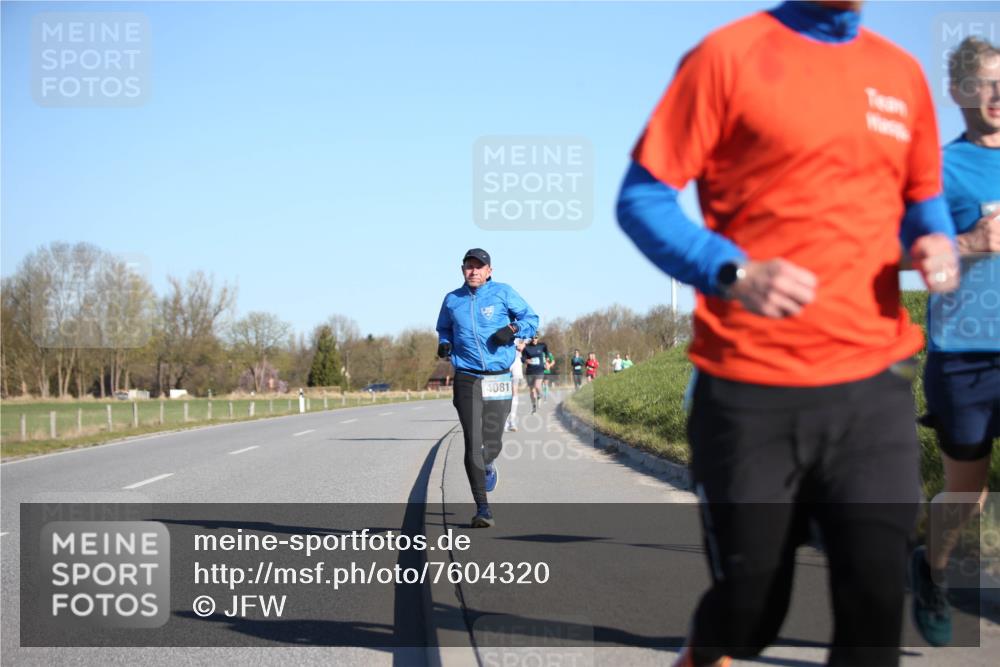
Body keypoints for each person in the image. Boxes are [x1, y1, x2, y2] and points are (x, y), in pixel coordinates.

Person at [616, 2, 959, 666]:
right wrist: (731, 270)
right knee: (751, 609)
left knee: (873, 606)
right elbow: (643, 197)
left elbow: (923, 195)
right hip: (749, 388)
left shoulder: (901, 73)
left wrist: (936, 238)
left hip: (873, 386)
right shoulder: (728, 56)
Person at [910, 36, 1000, 648]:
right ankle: (932, 570)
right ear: (959, 92)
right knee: (967, 489)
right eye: (984, 84)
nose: (997, 95)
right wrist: (972, 244)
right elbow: (905, 257)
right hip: (964, 351)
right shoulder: (938, 171)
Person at [437, 248, 538, 528]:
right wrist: (445, 343)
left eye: (479, 267)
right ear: (462, 270)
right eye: (469, 266)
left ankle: (489, 462)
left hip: (498, 376)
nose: (474, 271)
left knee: (491, 441)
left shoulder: (503, 293)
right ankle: (483, 508)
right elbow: (443, 328)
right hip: (467, 376)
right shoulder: (452, 300)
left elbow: (532, 320)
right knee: (472, 440)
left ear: (489, 270)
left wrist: (514, 330)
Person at [522, 335, 550, 413]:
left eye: (536, 338)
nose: (534, 339)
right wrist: (526, 360)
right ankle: (534, 406)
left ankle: (539, 396)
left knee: (537, 386)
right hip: (530, 371)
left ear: (538, 338)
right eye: (533, 338)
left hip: (539, 370)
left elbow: (547, 352)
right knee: (531, 391)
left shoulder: (542, 345)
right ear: (530, 339)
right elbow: (523, 358)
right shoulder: (527, 347)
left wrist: (547, 361)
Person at [506, 339, 526, 432]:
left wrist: (523, 343)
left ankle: (512, 421)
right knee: (504, 392)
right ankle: (504, 421)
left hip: (516, 361)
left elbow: (524, 341)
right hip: (504, 358)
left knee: (514, 391)